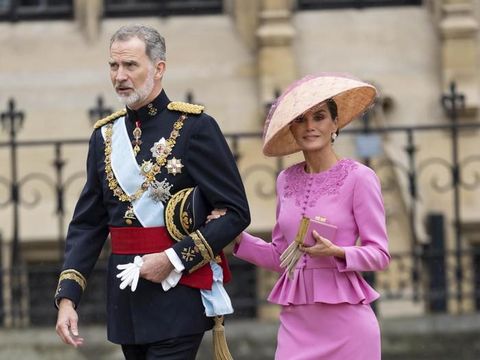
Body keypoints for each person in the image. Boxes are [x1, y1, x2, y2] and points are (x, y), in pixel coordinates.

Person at [54, 24, 250, 360]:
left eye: (130, 65)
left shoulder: (195, 128)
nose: (120, 76)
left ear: (158, 68)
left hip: (176, 295)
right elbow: (88, 224)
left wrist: (173, 259)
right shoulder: (105, 136)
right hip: (126, 301)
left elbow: (235, 212)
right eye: (114, 66)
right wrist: (68, 298)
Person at [229, 73, 390, 360]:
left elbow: (379, 254)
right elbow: (282, 255)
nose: (310, 126)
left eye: (319, 117)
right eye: (300, 120)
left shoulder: (360, 178)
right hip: (297, 325)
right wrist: (239, 239)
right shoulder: (285, 180)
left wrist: (338, 252)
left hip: (349, 329)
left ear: (335, 123)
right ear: (292, 128)